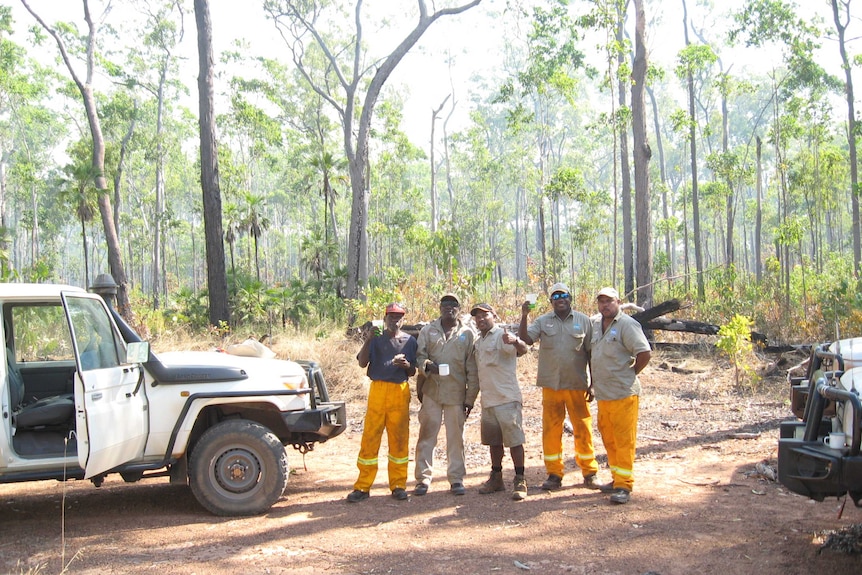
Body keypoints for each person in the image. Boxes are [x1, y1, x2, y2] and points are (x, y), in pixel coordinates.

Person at [518, 282, 600, 491]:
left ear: (570, 298)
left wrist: (593, 383)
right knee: (551, 430)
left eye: (563, 295)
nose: (560, 299)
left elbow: (591, 353)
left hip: (577, 385)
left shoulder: (584, 321)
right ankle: (554, 474)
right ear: (551, 301)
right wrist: (525, 315)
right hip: (551, 386)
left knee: (583, 428)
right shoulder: (543, 321)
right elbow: (526, 340)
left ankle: (589, 472)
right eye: (555, 296)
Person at [347, 303, 418, 503]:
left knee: (399, 438)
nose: (395, 320)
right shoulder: (376, 339)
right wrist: (368, 339)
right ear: (385, 318)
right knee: (370, 437)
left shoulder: (410, 341)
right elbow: (362, 362)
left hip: (399, 391)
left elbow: (413, 371)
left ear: (403, 319)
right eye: (391, 317)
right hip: (377, 390)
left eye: (399, 317)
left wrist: (406, 365)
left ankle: (398, 484)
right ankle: (363, 486)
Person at [589, 287, 651, 505]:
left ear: (618, 302)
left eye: (609, 301)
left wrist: (631, 373)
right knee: (609, 437)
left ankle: (624, 485)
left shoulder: (627, 324)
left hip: (624, 393)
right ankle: (616, 478)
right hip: (604, 394)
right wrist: (592, 384)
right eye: (601, 301)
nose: (605, 305)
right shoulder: (596, 325)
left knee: (624, 440)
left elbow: (644, 353)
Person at [414, 293, 479, 496]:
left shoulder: (467, 334)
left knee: (456, 438)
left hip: (456, 394)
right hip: (432, 391)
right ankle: (423, 479)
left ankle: (456, 479)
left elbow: (473, 369)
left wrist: (469, 400)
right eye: (445, 304)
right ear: (440, 307)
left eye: (453, 304)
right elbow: (419, 356)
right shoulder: (428, 330)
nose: (449, 307)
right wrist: (427, 366)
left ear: (459, 309)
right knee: (426, 436)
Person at [471, 303, 530, 500]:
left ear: (494, 315)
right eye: (477, 316)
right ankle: (496, 478)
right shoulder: (479, 342)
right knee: (493, 442)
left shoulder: (502, 335)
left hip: (507, 399)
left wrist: (515, 341)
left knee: (514, 441)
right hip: (488, 401)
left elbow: (523, 349)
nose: (480, 319)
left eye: (484, 315)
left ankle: (520, 479)